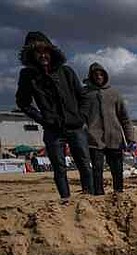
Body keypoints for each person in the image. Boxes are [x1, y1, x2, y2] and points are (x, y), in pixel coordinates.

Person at [15, 31, 93, 202]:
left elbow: (83, 97)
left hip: (75, 126)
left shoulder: (66, 72)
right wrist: (43, 119)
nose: (43, 55)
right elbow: (23, 102)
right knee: (59, 168)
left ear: (51, 52)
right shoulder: (28, 76)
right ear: (31, 55)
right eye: (38, 52)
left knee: (84, 164)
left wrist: (81, 117)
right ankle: (65, 200)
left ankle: (90, 198)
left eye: (45, 51)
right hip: (53, 129)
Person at [84, 62, 136, 194]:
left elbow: (124, 118)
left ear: (105, 76)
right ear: (91, 76)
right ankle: (98, 195)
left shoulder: (114, 94)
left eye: (101, 74)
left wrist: (131, 138)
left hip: (115, 138)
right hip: (94, 139)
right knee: (97, 169)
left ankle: (118, 193)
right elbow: (80, 116)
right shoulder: (85, 94)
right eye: (95, 75)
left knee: (117, 169)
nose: (99, 77)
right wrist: (85, 132)